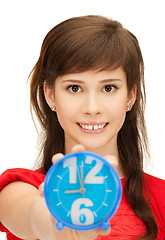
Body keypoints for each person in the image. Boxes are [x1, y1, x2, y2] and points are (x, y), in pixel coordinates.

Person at [0, 15, 165, 240]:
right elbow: (29, 214)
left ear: (131, 95)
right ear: (50, 95)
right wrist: (54, 224)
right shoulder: (23, 188)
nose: (92, 108)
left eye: (108, 88)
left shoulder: (160, 197)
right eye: (75, 88)